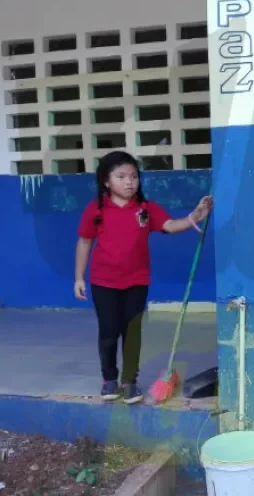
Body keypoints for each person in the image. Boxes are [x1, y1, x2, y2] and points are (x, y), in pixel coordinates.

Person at [73, 150, 213, 403]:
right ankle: (109, 380)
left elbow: (169, 226)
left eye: (134, 177)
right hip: (103, 283)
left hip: (137, 283)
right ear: (106, 181)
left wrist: (194, 216)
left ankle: (129, 382)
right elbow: (84, 242)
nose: (129, 182)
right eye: (121, 177)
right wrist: (79, 277)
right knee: (108, 332)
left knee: (132, 332)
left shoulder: (145, 209)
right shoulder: (96, 210)